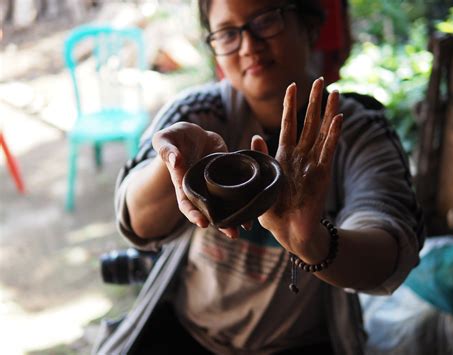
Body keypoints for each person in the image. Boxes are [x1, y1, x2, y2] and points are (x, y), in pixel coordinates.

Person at [114, 0, 425, 353]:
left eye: (266, 21)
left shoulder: (357, 131)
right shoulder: (197, 116)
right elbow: (137, 224)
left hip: (299, 343)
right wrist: (169, 166)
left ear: (307, 25)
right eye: (228, 33)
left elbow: (392, 250)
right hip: (189, 332)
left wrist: (313, 243)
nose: (248, 45)